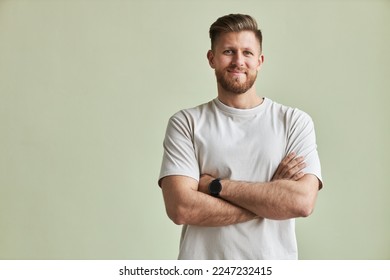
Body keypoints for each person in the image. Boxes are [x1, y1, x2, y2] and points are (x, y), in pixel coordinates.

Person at [158, 14, 323, 260]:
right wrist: (270, 199)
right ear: (211, 59)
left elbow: (301, 203)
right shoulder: (186, 123)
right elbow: (181, 208)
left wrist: (215, 187)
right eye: (228, 51)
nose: (238, 61)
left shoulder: (294, 122)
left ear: (260, 60)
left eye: (247, 52)